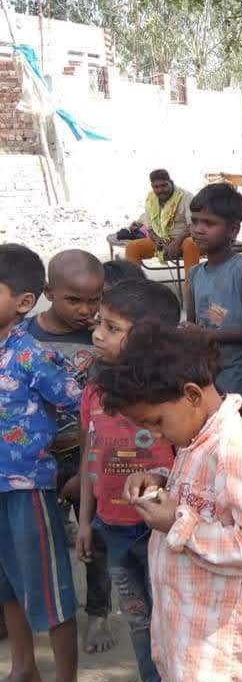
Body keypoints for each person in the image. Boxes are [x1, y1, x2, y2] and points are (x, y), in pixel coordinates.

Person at [96, 323, 242, 682]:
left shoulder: (232, 449)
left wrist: (177, 524)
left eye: (157, 423)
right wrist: (161, 477)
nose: (157, 435)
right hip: (195, 640)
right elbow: (198, 491)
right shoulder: (194, 440)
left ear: (193, 395)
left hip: (224, 650)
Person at [79, 280, 181, 682]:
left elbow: (188, 461)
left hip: (158, 528)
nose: (97, 333)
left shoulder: (170, 395)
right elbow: (89, 454)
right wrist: (84, 521)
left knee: (171, 617)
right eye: (99, 322)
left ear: (144, 338)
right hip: (113, 528)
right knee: (140, 618)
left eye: (111, 326)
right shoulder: (95, 391)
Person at [0, 243, 85, 682]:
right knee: (6, 584)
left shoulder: (32, 355)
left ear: (24, 302)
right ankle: (24, 671)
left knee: (49, 586)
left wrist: (86, 466)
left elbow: (82, 400)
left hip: (29, 487)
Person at [26, 249, 115, 655]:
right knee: (42, 537)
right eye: (73, 300)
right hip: (38, 459)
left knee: (96, 536)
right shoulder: (25, 337)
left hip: (89, 455)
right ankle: (52, 610)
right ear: (48, 293)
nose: (86, 310)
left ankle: (98, 613)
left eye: (94, 300)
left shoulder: (103, 338)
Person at [188, 183, 242, 449]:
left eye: (209, 223)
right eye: (195, 221)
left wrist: (210, 335)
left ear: (233, 230)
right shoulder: (195, 275)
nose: (199, 229)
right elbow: (191, 325)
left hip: (241, 379)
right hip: (208, 379)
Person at [123, 169, 200, 275]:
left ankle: (190, 288)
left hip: (183, 240)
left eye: (164, 185)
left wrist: (176, 242)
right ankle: (136, 287)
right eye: (156, 187)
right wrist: (157, 240)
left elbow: (193, 225)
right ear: (152, 187)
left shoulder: (186, 196)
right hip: (161, 241)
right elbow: (149, 228)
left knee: (191, 244)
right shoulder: (151, 199)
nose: (160, 190)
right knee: (132, 247)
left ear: (171, 182)